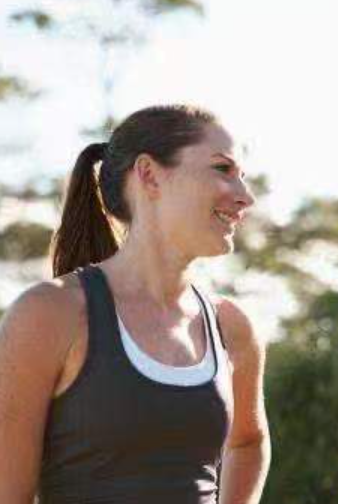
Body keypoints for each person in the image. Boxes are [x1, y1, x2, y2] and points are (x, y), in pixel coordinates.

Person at [0, 104, 270, 504]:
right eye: (222, 169)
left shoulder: (231, 326)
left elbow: (248, 442)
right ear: (148, 175)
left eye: (242, 176)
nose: (245, 197)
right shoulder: (49, 314)